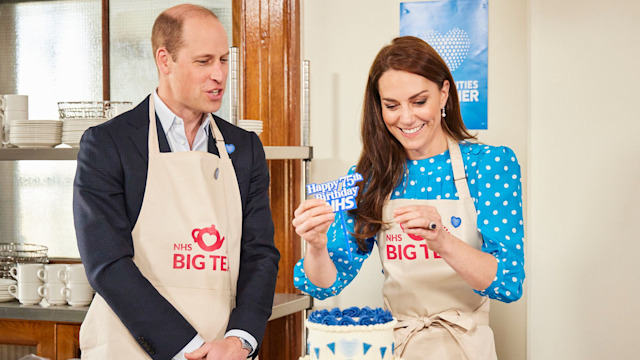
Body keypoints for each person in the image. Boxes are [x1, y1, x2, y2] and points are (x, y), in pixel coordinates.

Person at [292, 36, 525, 359]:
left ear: (444, 93)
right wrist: (316, 245)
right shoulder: (370, 178)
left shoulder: (489, 165)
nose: (406, 118)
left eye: (419, 101)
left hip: (465, 346)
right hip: (396, 346)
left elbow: (507, 281)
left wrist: (442, 240)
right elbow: (324, 284)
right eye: (391, 105)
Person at [73, 4, 279, 360]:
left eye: (224, 60)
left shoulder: (244, 149)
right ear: (164, 60)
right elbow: (107, 264)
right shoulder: (109, 144)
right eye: (204, 62)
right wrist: (189, 348)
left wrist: (238, 341)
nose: (219, 75)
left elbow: (260, 255)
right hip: (133, 349)